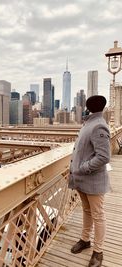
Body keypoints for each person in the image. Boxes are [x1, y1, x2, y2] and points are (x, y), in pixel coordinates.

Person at [68, 95, 111, 267]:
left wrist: (83, 167)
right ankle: (85, 240)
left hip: (92, 180)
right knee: (87, 210)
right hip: (81, 179)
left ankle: (98, 252)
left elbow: (104, 156)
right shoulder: (89, 123)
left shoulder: (99, 125)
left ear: (90, 106)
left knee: (98, 215)